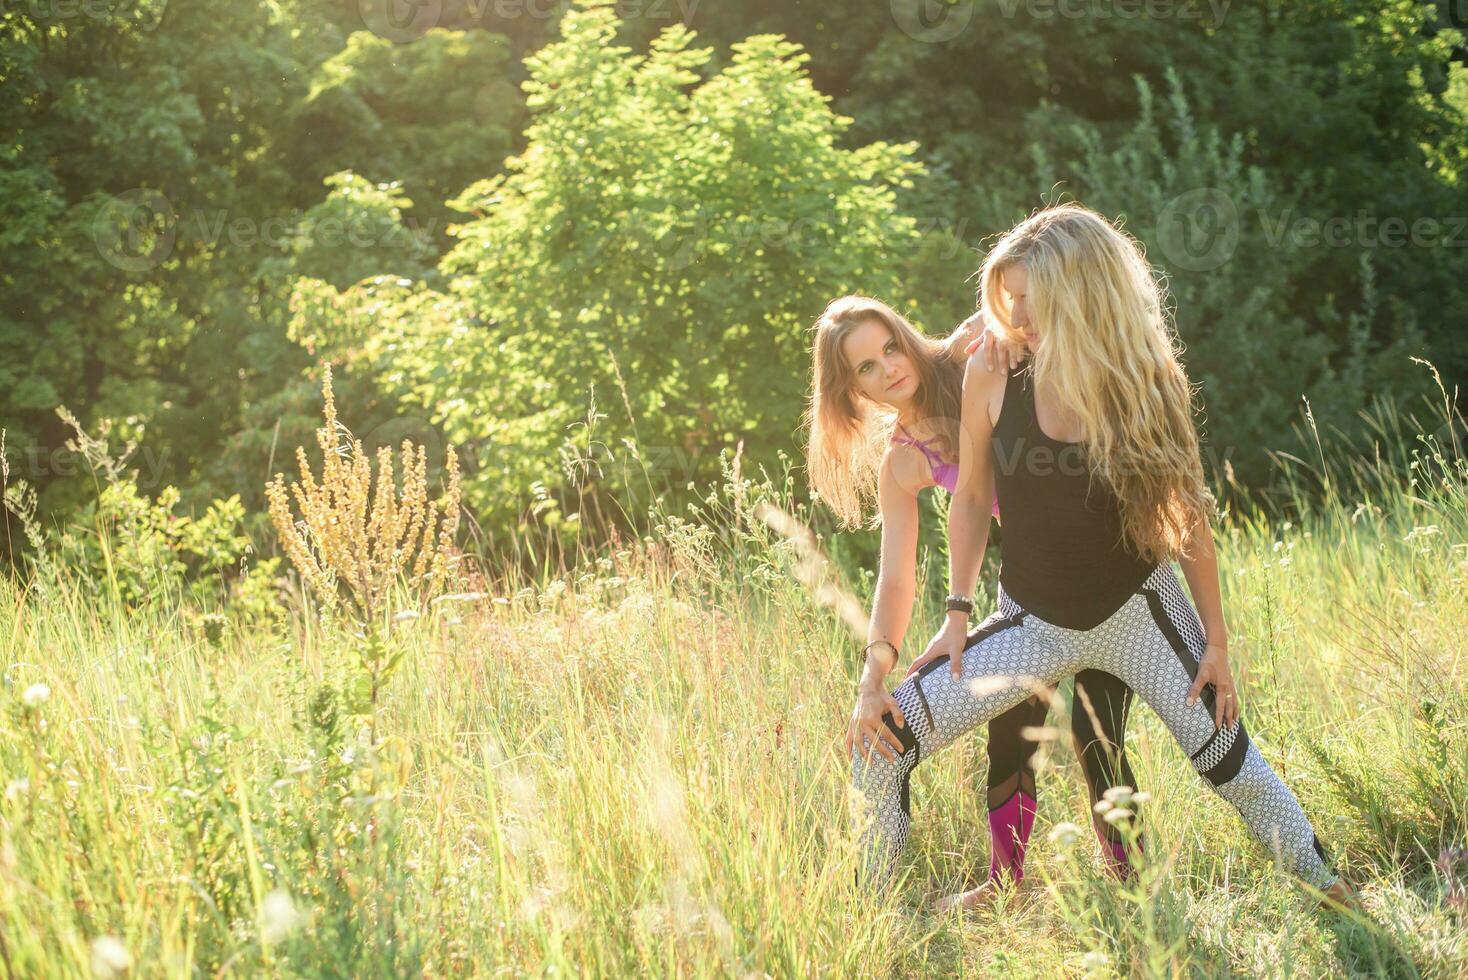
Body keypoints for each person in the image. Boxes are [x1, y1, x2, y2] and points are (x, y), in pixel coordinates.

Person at [847, 203, 1356, 908]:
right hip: (1030, 621)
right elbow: (969, 503)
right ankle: (872, 919)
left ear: (1077, 291)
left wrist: (1216, 640)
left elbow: (1188, 517)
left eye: (1028, 298)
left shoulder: (1145, 380)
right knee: (879, 744)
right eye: (1009, 299)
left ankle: (1331, 888)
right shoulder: (992, 376)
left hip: (1140, 612)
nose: (1014, 314)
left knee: (1229, 763)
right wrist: (959, 612)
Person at [807, 295, 1144, 910]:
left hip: (1108, 559)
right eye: (866, 368)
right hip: (1031, 584)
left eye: (889, 347)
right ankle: (1004, 886)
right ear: (850, 389)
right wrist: (874, 674)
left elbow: (1043, 304)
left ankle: (1132, 879)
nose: (888, 368)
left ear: (906, 336)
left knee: (1100, 726)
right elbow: (895, 578)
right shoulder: (903, 461)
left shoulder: (971, 353)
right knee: (1007, 730)